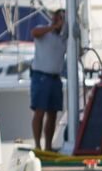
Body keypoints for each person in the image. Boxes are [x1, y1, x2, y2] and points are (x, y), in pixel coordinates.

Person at [28, 13, 71, 151]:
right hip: (41, 77)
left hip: (55, 78)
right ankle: (37, 145)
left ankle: (48, 146)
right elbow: (34, 33)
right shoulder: (44, 31)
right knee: (39, 112)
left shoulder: (63, 39)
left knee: (52, 114)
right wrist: (52, 27)